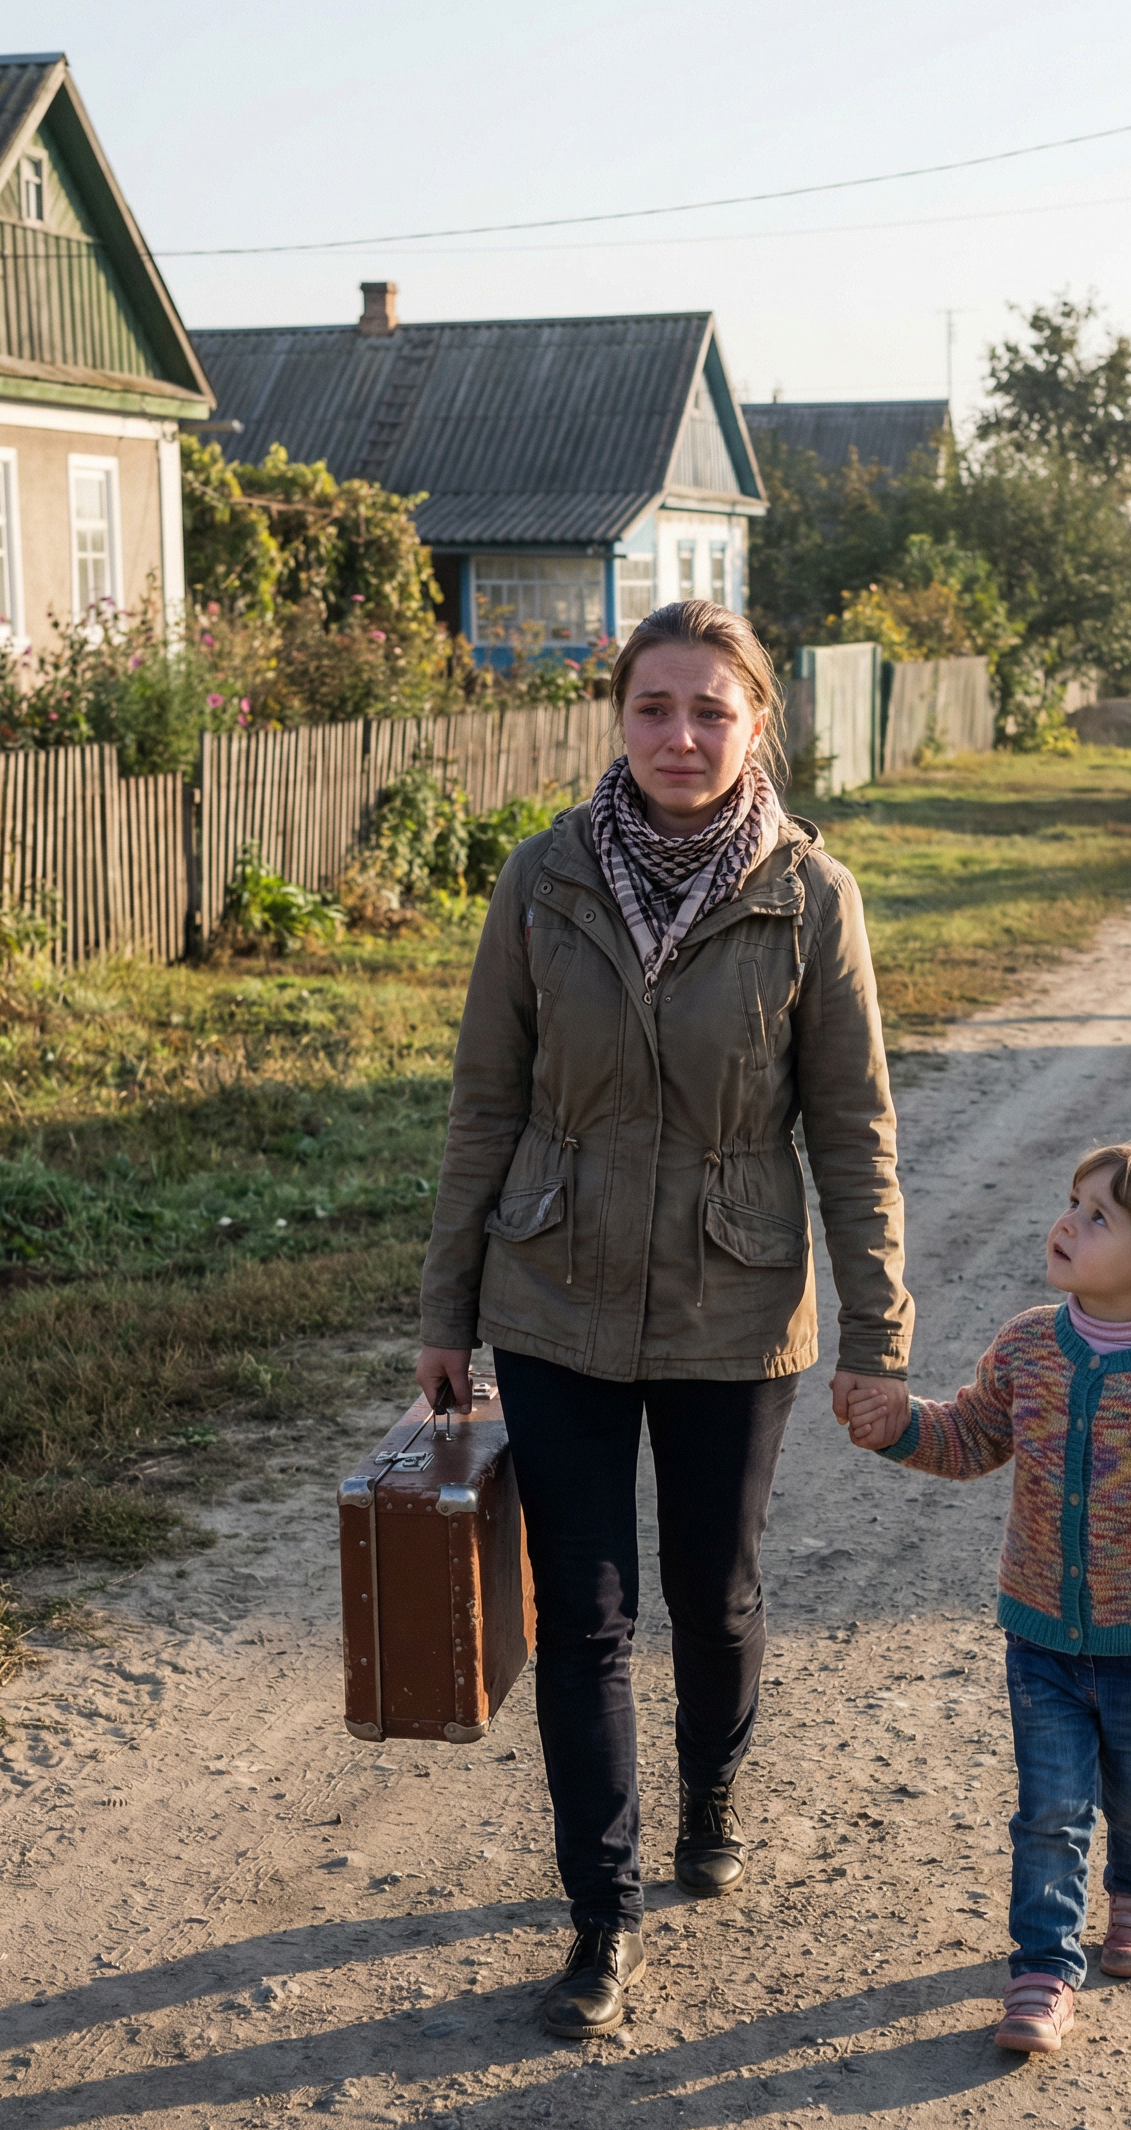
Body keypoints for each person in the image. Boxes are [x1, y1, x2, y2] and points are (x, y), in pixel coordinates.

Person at [417, 600, 913, 2039]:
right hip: (550, 1290)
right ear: (617, 718)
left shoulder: (811, 897)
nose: (680, 737)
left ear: (759, 721)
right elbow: (484, 1107)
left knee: (717, 1594)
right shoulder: (543, 878)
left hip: (733, 1299)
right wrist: (446, 1308)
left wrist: (880, 1335)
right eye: (653, 708)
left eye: (710, 709)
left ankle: (713, 1794)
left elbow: (854, 1131)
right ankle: (600, 1917)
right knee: (580, 1616)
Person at [846, 1142, 1131, 2054]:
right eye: (1072, 1201)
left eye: (1099, 1215)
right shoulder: (1031, 1344)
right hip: (1041, 1641)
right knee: (1051, 1811)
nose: (1068, 1221)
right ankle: (1042, 1970)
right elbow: (971, 1437)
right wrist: (901, 1426)